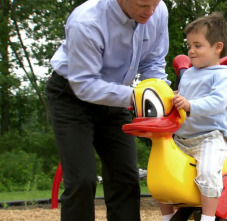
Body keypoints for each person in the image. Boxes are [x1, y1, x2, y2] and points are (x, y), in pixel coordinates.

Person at [45, 0, 170, 220]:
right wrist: (137, 97)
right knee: (82, 179)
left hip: (117, 98)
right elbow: (84, 85)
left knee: (126, 177)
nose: (150, 11)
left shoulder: (158, 11)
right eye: (143, 5)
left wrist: (158, 93)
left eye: (155, 3)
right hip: (72, 98)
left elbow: (153, 63)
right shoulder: (86, 22)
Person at [157, 12, 227, 221]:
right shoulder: (190, 73)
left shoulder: (223, 75)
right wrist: (174, 98)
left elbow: (217, 102)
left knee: (208, 172)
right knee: (160, 171)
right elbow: (184, 100)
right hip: (183, 137)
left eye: (197, 46)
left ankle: (208, 218)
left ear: (217, 47)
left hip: (210, 136)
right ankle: (168, 218)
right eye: (189, 46)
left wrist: (189, 104)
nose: (191, 51)